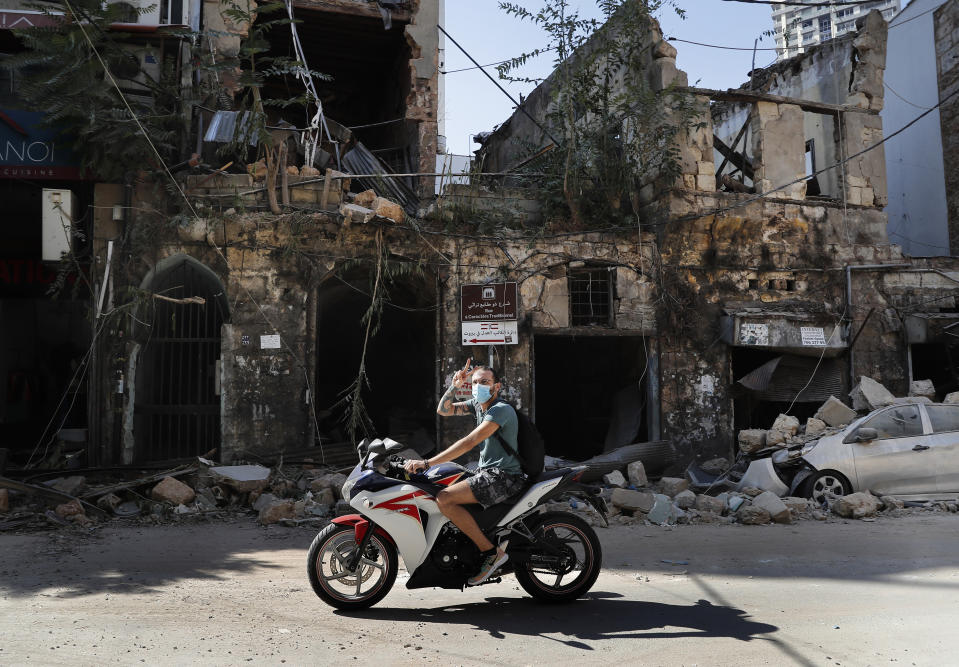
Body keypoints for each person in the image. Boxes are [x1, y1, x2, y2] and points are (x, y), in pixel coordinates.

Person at [403, 358, 526, 585]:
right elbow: (444, 410)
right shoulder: (478, 406)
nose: (479, 386)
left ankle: (491, 553)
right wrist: (455, 384)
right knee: (440, 483)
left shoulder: (500, 410)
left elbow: (469, 442)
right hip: (487, 472)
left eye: (485, 382)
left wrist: (428, 462)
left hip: (503, 477)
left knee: (445, 499)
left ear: (496, 386)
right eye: (476, 382)